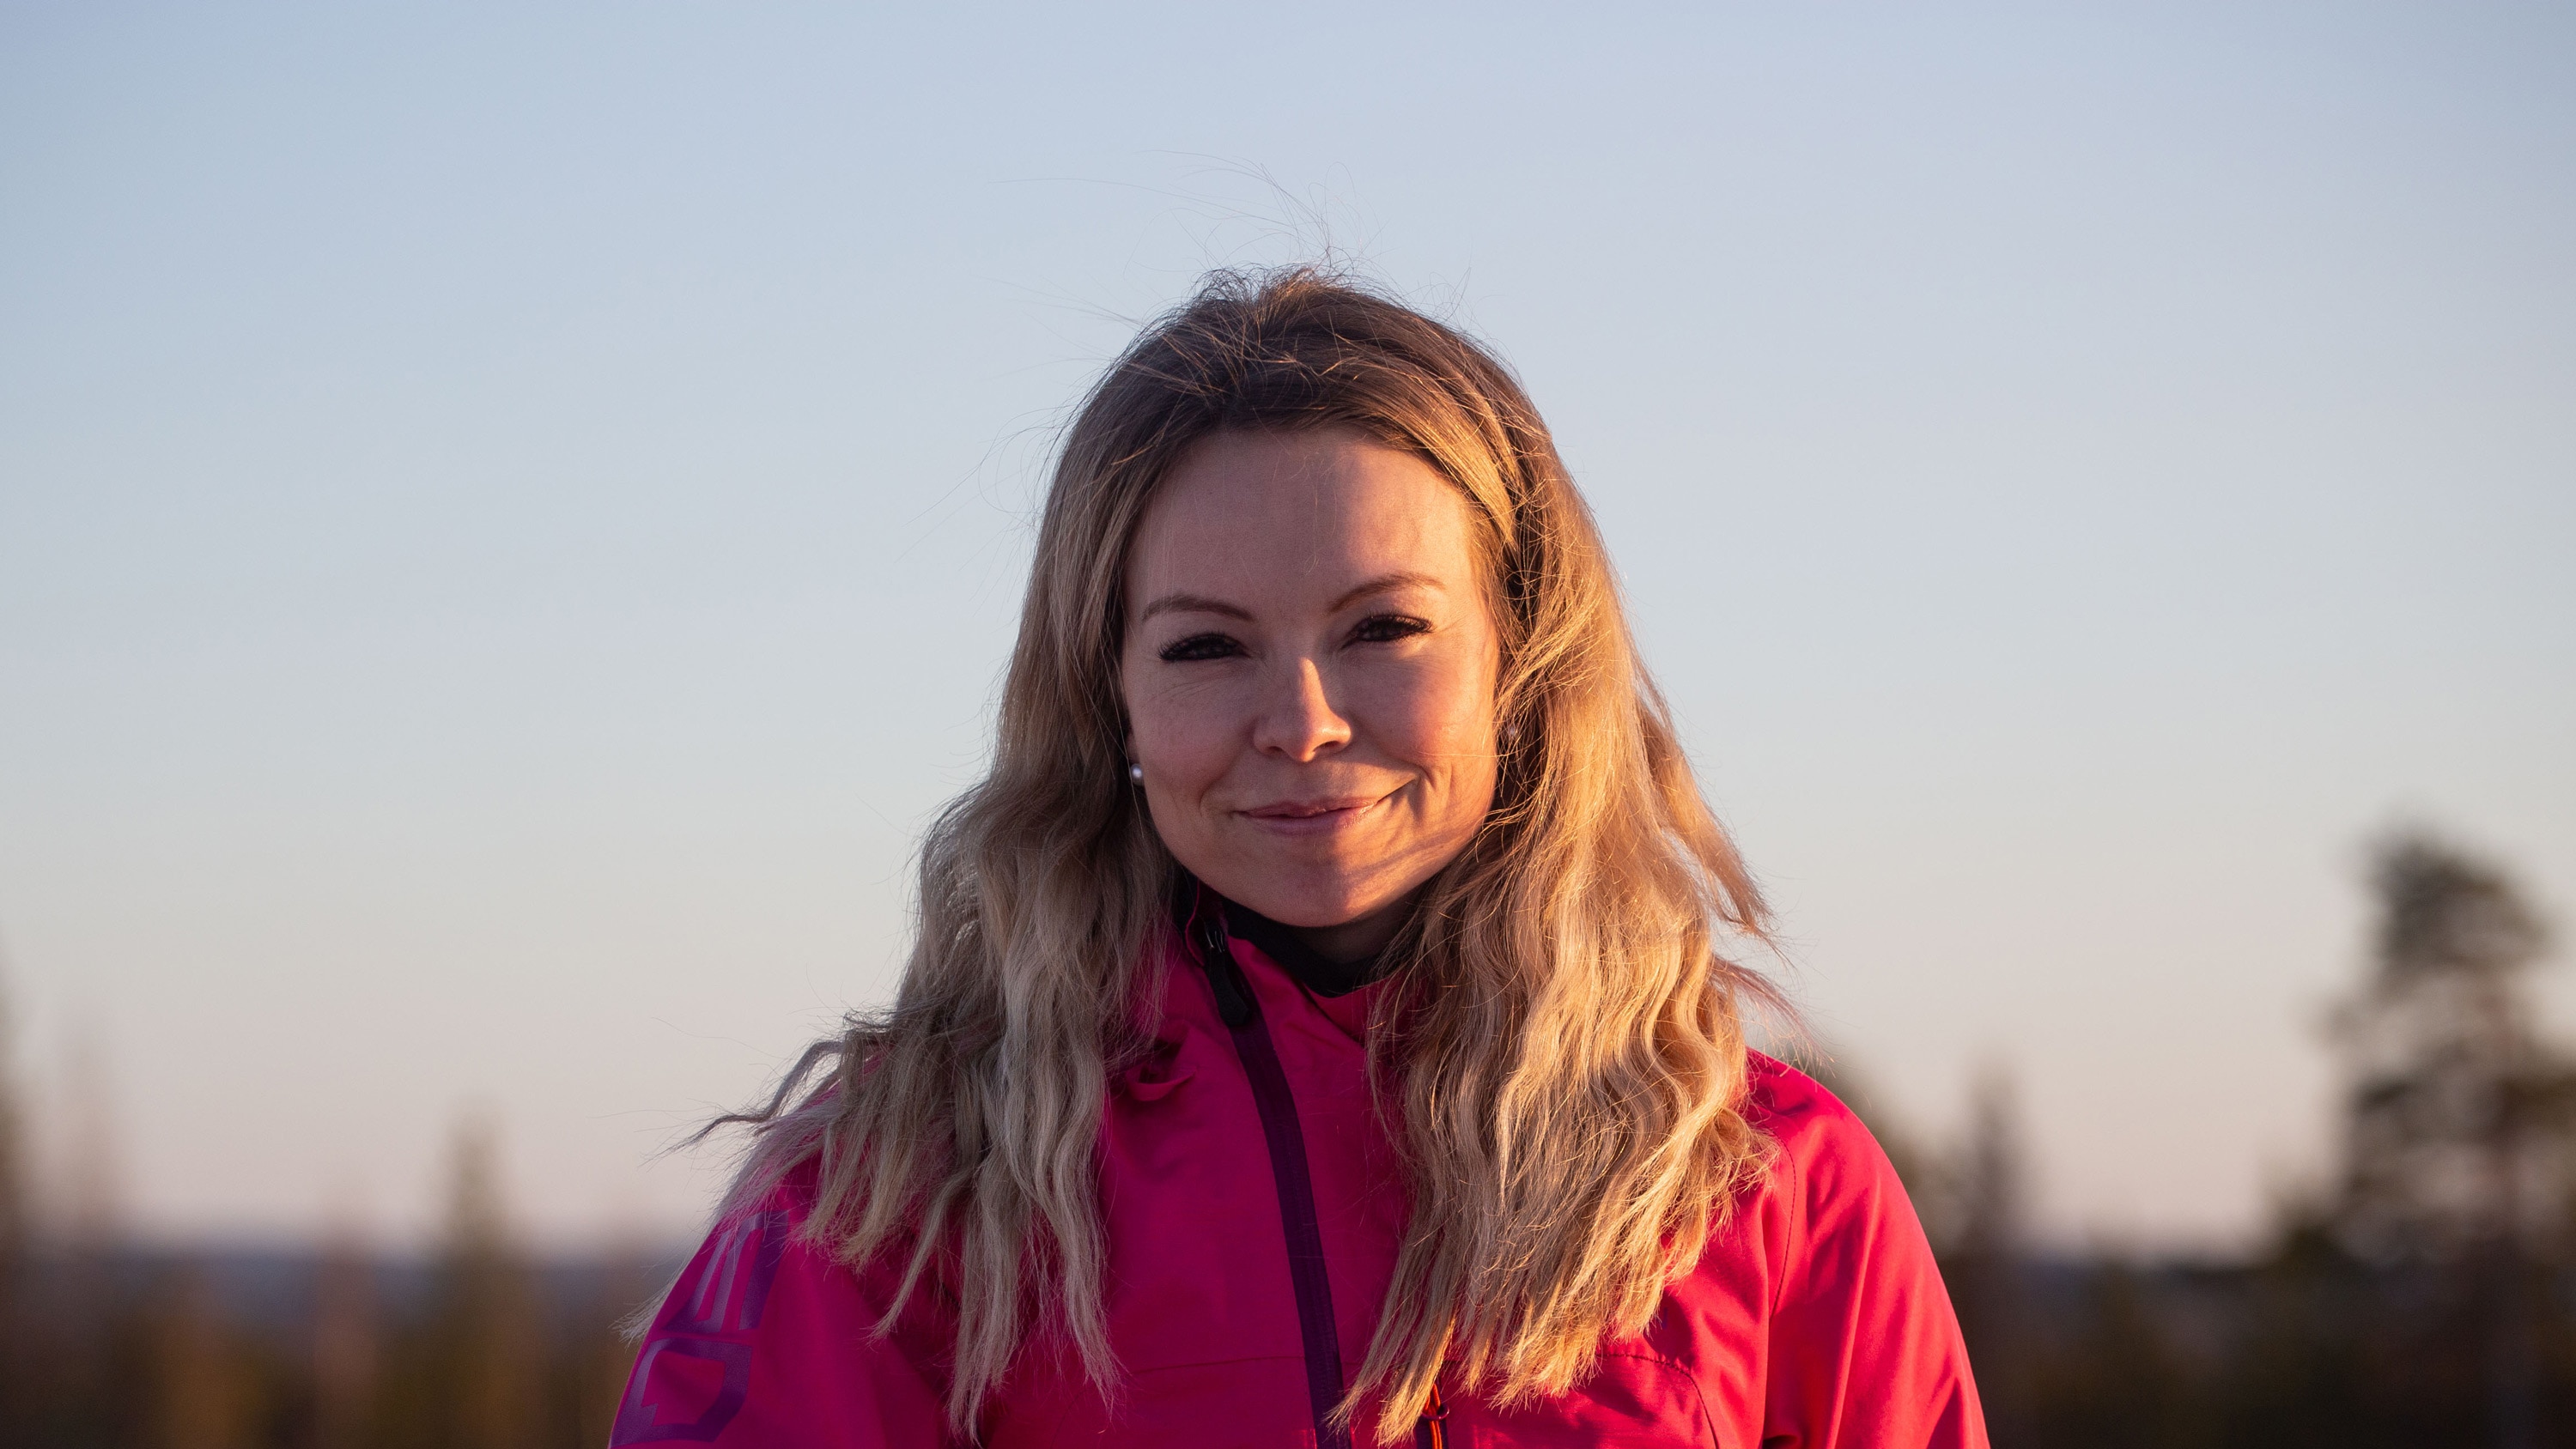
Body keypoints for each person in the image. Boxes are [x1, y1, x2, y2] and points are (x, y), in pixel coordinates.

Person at [611, 270, 1984, 1448]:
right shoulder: (898, 1206)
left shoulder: (1766, 1190)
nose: (1304, 723)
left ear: (1521, 661)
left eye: (1384, 629)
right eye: (1208, 646)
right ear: (1111, 703)